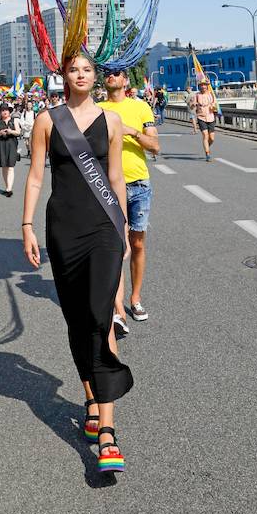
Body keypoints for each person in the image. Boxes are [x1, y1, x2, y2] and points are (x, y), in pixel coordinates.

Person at [22, 54, 132, 473]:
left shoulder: (113, 121)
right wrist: (27, 225)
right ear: (63, 76)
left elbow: (117, 178)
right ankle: (90, 394)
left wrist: (121, 227)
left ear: (95, 77)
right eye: (74, 70)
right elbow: (35, 176)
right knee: (76, 319)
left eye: (87, 70)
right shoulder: (47, 121)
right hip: (63, 228)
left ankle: (107, 429)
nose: (81, 75)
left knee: (101, 318)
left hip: (104, 228)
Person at [100, 67, 159, 328]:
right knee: (113, 246)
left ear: (126, 80)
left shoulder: (141, 108)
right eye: (107, 72)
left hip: (138, 183)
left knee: (136, 244)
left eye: (117, 72)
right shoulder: (96, 108)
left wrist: (131, 132)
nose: (111, 75)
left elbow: (155, 146)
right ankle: (116, 309)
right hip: (106, 186)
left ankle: (134, 299)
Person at [0, 103, 20, 196]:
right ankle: (7, 186)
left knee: (11, 166)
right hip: (1, 144)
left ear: (9, 111)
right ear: (0, 112)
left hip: (11, 144)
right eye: (2, 110)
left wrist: (10, 131)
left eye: (6, 110)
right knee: (4, 166)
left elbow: (18, 132)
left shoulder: (14, 120)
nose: (4, 112)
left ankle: (9, 188)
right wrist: (0, 132)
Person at [190, 79, 218, 162]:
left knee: (212, 138)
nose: (203, 86)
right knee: (205, 135)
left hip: (210, 116)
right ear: (199, 86)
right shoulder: (197, 95)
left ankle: (207, 146)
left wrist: (213, 106)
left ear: (207, 86)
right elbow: (192, 106)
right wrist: (193, 105)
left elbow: (215, 104)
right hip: (201, 117)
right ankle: (207, 154)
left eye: (204, 85)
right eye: (201, 85)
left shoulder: (211, 94)